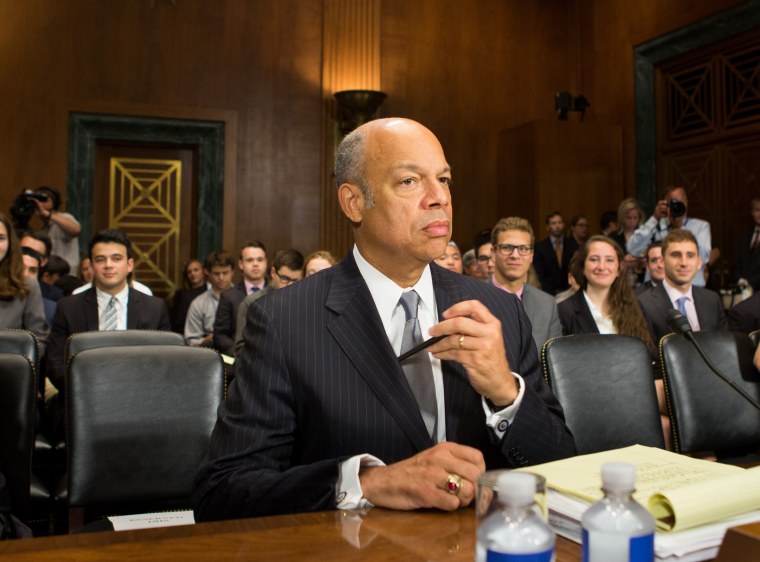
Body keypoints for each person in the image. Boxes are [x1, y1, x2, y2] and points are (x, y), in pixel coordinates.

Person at [193, 118, 575, 521]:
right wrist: (369, 483)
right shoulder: (284, 321)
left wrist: (505, 393)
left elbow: (562, 462)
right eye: (410, 181)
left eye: (444, 180)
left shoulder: (499, 310)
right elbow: (223, 491)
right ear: (354, 202)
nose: (438, 197)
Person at [46, 228, 171, 392]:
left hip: (140, 395)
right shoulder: (68, 307)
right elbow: (56, 363)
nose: (108, 265)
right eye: (100, 259)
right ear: (91, 266)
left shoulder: (155, 308)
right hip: (83, 395)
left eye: (116, 258)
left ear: (129, 265)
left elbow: (165, 362)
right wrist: (85, 392)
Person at [557, 236, 653, 354]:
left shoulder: (636, 307)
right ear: (582, 267)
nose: (602, 267)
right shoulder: (564, 312)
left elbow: (649, 355)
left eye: (609, 260)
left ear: (619, 269)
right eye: (594, 259)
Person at [637, 229, 726, 348]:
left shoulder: (712, 300)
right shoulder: (643, 303)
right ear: (662, 261)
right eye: (676, 255)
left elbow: (723, 347)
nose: (684, 263)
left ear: (699, 263)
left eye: (690, 255)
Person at [490, 217, 561, 351]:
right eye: (506, 247)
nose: (515, 255)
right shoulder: (471, 297)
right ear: (493, 253)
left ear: (531, 255)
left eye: (523, 248)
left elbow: (554, 362)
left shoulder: (547, 304)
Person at [626, 187, 711, 287]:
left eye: (679, 203)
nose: (676, 207)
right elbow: (632, 248)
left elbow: (704, 257)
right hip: (658, 289)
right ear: (666, 205)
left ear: (686, 203)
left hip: (691, 287)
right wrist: (654, 218)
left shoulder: (700, 226)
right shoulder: (656, 225)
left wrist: (678, 227)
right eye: (672, 203)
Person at [233, 249, 306, 355]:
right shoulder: (252, 303)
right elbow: (240, 348)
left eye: (295, 281)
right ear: (273, 272)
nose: (290, 285)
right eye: (285, 278)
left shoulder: (302, 303)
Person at [0, 212, 48, 347]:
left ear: (10, 243)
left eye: (0, 238)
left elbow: (37, 341)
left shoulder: (28, 286)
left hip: (9, 366)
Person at [213, 241, 268, 357]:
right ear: (240, 264)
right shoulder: (228, 296)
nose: (255, 264)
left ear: (266, 263)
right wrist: (241, 352)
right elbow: (220, 335)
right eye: (250, 260)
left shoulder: (276, 292)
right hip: (239, 359)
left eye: (259, 259)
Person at [184, 250, 235, 347]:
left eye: (225, 273)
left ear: (232, 272)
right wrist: (212, 339)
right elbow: (191, 341)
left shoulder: (244, 299)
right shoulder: (198, 303)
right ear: (208, 273)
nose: (221, 277)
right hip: (210, 355)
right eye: (216, 273)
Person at [32, 186, 81, 276]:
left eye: (44, 199)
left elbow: (75, 229)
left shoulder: (64, 218)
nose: (39, 204)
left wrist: (47, 214)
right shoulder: (45, 228)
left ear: (54, 202)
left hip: (66, 276)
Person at [533, 212, 575, 295]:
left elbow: (574, 270)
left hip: (569, 292)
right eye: (553, 223)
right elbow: (539, 273)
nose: (557, 226)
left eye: (560, 222)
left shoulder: (572, 246)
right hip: (547, 292)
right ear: (547, 227)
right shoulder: (540, 247)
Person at [610, 198, 646, 287]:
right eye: (629, 218)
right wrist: (622, 261)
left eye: (635, 218)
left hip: (642, 279)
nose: (632, 221)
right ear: (622, 218)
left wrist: (644, 261)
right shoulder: (613, 237)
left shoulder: (644, 235)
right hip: (620, 282)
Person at [169, 258, 207, 333]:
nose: (192, 274)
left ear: (203, 271)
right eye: (189, 272)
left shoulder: (210, 291)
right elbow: (176, 321)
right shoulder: (181, 294)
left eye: (196, 270)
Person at [730, 197, 760, 292]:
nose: (759, 214)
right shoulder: (744, 237)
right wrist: (740, 280)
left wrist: (750, 283)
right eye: (757, 210)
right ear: (752, 213)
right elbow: (735, 264)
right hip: (741, 291)